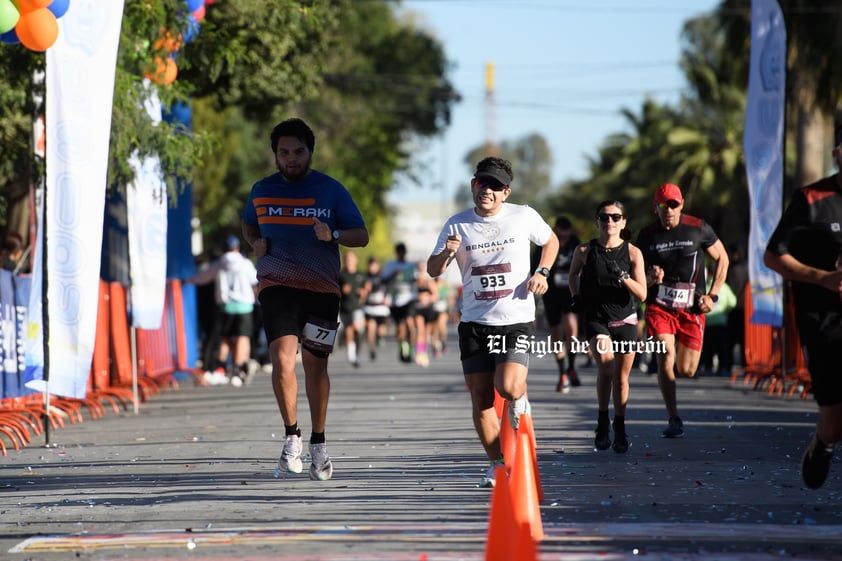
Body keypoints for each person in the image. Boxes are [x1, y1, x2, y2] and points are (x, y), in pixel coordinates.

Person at [242, 117, 369, 481]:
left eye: (298, 151)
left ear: (310, 152)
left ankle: (319, 442)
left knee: (316, 366)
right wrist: (255, 242)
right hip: (277, 285)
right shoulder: (261, 190)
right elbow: (249, 223)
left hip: (322, 290)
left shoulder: (330, 190)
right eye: (284, 152)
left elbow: (361, 236)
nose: (291, 158)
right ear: (275, 155)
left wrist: (334, 233)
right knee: (283, 360)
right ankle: (292, 435)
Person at [427, 156, 559, 488]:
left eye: (496, 186)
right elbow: (433, 269)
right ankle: (498, 463)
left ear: (506, 192)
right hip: (474, 322)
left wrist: (542, 271)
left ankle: (520, 399)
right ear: (474, 185)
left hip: (514, 320)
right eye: (482, 183)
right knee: (481, 400)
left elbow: (551, 241)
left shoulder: (523, 215)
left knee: (509, 386)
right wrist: (446, 253)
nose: (488, 190)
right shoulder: (457, 224)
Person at [763, 126, 842, 490]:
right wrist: (822, 277)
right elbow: (773, 255)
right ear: (837, 153)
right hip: (823, 319)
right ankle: (823, 443)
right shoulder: (811, 200)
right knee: (834, 418)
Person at [636, 183, 729, 438]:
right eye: (663, 205)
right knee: (665, 354)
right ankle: (673, 417)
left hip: (691, 307)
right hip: (659, 306)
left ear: (682, 204)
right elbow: (636, 273)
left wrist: (713, 295)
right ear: (656, 208)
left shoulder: (697, 227)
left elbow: (722, 257)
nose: (669, 210)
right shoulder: (647, 236)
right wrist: (649, 277)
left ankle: (675, 403)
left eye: (673, 205)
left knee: (687, 369)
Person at [568, 201, 647, 453]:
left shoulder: (633, 253)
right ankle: (603, 420)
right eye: (604, 217)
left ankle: (620, 425)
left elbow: (643, 293)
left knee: (621, 378)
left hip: (625, 319)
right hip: (596, 318)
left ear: (623, 222)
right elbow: (573, 275)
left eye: (615, 217)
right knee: (605, 365)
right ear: (597, 221)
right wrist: (576, 295)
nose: (609, 222)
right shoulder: (584, 250)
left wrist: (624, 278)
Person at [189, 235, 258, 387]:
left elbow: (202, 277)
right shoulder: (245, 264)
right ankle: (239, 369)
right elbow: (255, 281)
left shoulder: (219, 264)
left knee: (225, 338)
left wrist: (186, 280)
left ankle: (221, 367)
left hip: (225, 306)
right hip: (244, 305)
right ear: (237, 248)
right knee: (243, 337)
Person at [541, 216, 582, 393]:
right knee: (556, 333)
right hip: (551, 294)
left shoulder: (576, 242)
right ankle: (562, 372)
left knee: (572, 329)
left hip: (570, 292)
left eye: (566, 237)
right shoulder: (545, 241)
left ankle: (571, 366)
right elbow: (537, 265)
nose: (563, 240)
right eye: (560, 236)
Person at [382, 242, 418, 363]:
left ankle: (411, 350)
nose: (401, 254)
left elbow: (418, 280)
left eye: (403, 252)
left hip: (409, 299)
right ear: (396, 253)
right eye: (399, 252)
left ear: (405, 252)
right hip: (395, 301)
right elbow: (383, 281)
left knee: (410, 324)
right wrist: (393, 275)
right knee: (401, 329)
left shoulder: (411, 266)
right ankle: (403, 349)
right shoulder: (390, 266)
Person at [698, 275, 737, 377]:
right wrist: (724, 311)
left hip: (707, 322)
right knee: (722, 347)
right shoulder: (724, 287)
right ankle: (723, 367)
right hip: (720, 321)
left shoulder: (706, 286)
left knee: (707, 348)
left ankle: (708, 367)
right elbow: (733, 302)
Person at [338, 251, 367, 368]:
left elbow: (366, 290)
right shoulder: (341, 275)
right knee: (348, 329)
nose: (349, 261)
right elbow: (335, 291)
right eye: (347, 259)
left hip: (357, 308)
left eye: (351, 259)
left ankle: (357, 354)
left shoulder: (361, 275)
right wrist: (342, 290)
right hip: (345, 307)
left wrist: (363, 293)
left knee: (356, 329)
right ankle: (350, 352)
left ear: (355, 260)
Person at [361, 256, 391, 361]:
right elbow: (361, 290)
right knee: (370, 327)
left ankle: (380, 337)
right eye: (371, 265)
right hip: (369, 307)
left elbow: (389, 288)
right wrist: (364, 291)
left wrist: (388, 299)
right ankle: (372, 350)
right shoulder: (364, 277)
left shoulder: (383, 276)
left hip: (381, 308)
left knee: (381, 330)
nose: (372, 267)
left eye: (374, 265)